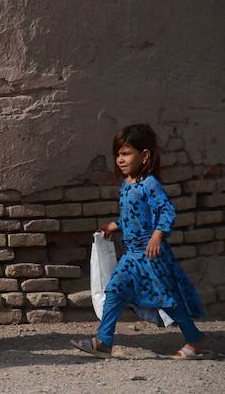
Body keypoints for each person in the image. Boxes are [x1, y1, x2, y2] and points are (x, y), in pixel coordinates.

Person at [71, 124, 209, 360]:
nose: (120, 159)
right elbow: (131, 218)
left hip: (150, 255)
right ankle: (103, 341)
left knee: (166, 300)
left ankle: (194, 339)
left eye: (126, 153)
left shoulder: (149, 184)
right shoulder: (127, 184)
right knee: (114, 290)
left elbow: (167, 212)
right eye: (118, 154)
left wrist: (158, 235)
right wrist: (112, 227)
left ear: (144, 155)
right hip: (132, 254)